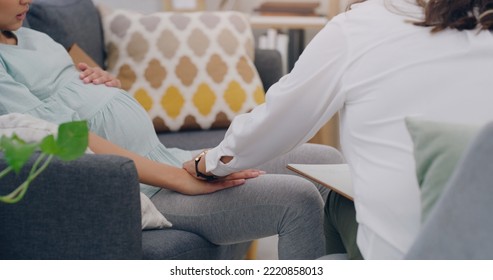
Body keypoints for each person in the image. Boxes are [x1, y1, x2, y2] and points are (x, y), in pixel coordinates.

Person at [0, 0, 346, 259]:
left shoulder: (33, 36)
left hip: (168, 157)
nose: (25, 0)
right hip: (143, 188)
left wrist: (105, 82)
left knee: (327, 162)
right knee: (297, 201)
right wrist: (179, 178)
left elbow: (83, 87)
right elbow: (61, 138)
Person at [184, 0, 493, 259]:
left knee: (335, 202)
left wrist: (210, 162)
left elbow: (277, 124)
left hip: (412, 256)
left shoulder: (361, 27)